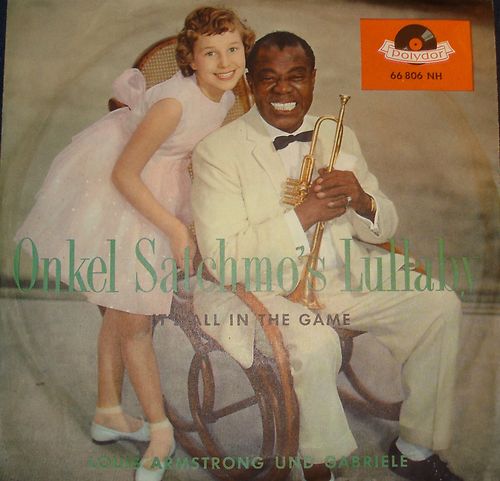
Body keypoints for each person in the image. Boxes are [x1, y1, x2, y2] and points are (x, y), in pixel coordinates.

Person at [191, 31, 463, 481]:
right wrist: (305, 214)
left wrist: (362, 200)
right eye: (268, 79)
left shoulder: (336, 132)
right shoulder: (216, 152)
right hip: (258, 290)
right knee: (315, 344)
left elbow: (383, 226)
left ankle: (415, 449)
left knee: (439, 305)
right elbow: (224, 260)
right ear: (249, 84)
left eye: (296, 77)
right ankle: (321, 465)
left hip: (340, 276)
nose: (283, 90)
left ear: (313, 79)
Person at [14, 7, 254, 481]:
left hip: (160, 184)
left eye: (233, 49)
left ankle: (107, 411)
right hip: (128, 193)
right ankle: (160, 431)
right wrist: (175, 228)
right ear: (190, 59)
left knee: (120, 309)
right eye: (211, 53)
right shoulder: (174, 105)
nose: (225, 62)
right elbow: (124, 173)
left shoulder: (227, 94)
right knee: (135, 322)